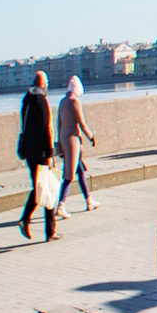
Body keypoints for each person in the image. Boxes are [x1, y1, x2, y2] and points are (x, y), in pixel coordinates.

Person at [17, 71, 59, 238]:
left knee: (39, 187)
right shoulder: (41, 101)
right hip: (41, 152)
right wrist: (50, 153)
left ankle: (27, 220)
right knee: (47, 188)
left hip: (29, 151)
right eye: (46, 81)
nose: (47, 84)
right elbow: (45, 129)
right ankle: (48, 230)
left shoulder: (26, 101)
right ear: (42, 82)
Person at [54, 74, 95, 215]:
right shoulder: (74, 101)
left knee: (80, 170)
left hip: (64, 138)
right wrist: (91, 136)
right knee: (69, 174)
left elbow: (59, 124)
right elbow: (82, 123)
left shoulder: (63, 101)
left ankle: (89, 200)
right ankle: (61, 205)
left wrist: (60, 142)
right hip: (73, 140)